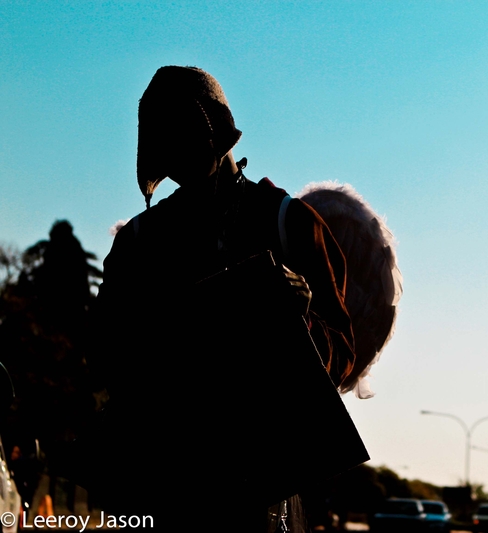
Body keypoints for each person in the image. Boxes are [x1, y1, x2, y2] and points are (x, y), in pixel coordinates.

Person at [87, 66, 368, 530]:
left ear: (216, 129)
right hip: (163, 483)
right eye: (162, 137)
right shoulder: (137, 243)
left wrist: (303, 316)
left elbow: (342, 356)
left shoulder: (290, 224)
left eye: (184, 130)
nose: (175, 150)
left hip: (265, 490)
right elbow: (101, 356)